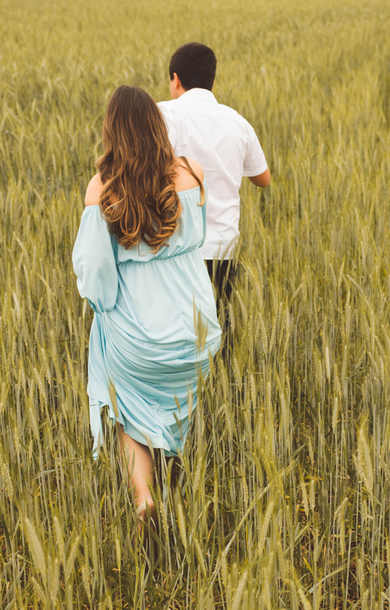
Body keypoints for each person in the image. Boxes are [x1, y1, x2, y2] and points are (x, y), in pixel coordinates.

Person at [72, 85, 221, 521]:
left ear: (111, 130)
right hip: (194, 332)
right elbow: (198, 236)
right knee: (177, 398)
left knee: (117, 386)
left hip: (139, 343)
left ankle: (144, 496)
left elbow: (97, 277)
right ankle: (176, 471)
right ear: (158, 125)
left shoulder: (103, 189)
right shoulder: (191, 171)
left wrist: (105, 312)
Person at [157, 42, 270, 346]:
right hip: (222, 250)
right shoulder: (237, 121)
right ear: (213, 81)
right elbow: (263, 178)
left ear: (175, 79)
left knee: (178, 337)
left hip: (175, 248)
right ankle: (223, 390)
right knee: (219, 330)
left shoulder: (162, 114)